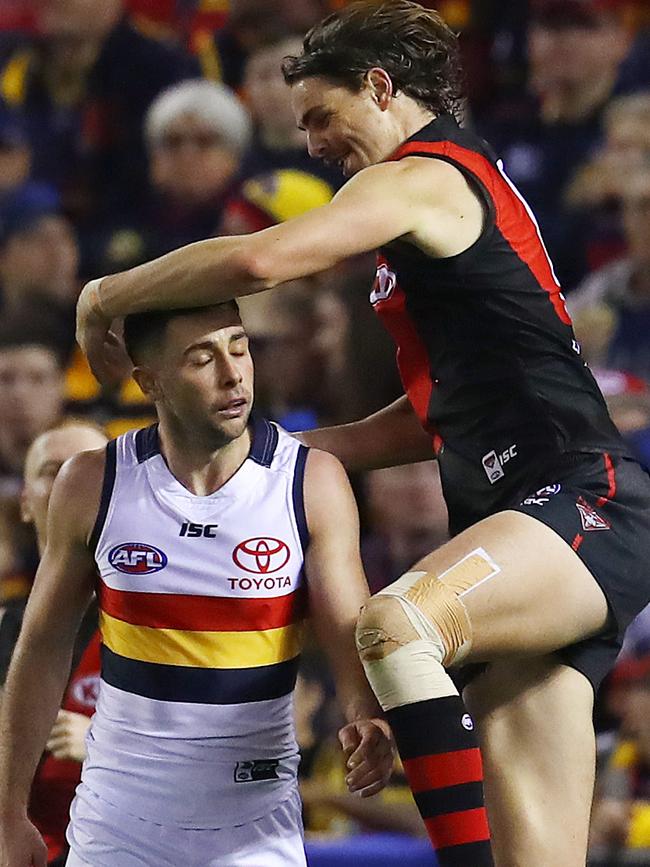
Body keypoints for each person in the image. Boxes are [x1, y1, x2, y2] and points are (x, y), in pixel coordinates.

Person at [74, 3, 650, 865]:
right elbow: (432, 420)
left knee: (399, 621)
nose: (311, 143)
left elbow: (261, 261)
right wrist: (282, 457)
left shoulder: (423, 173)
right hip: (528, 511)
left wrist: (107, 293)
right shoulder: (436, 210)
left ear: (380, 89)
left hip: (581, 497)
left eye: (320, 116)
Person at [0, 302, 392, 867]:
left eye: (240, 347)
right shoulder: (94, 482)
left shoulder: (310, 481)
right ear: (149, 381)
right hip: (116, 829)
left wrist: (365, 715)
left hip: (254, 833)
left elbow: (350, 631)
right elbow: (41, 646)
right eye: (202, 358)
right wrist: (10, 810)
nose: (233, 374)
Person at [1, 420, 108, 866]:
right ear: (25, 502)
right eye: (52, 469)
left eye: (89, 467)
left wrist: (106, 747)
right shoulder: (5, 628)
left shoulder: (165, 623)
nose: (70, 479)